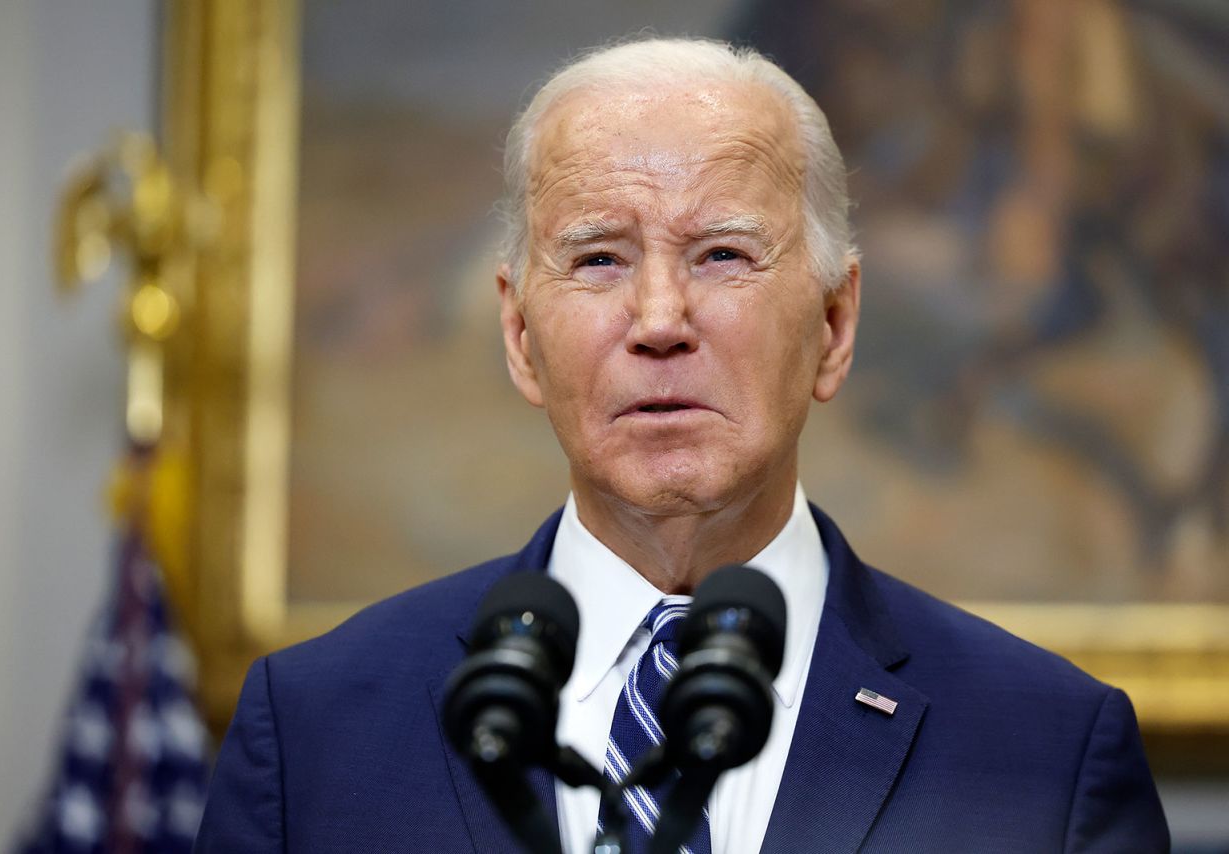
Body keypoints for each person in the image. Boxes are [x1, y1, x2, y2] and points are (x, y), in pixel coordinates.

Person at [195, 37, 1169, 853]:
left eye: (722, 255)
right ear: (519, 336)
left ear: (832, 325)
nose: (658, 318)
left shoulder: (1045, 751)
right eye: (598, 258)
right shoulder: (316, 729)